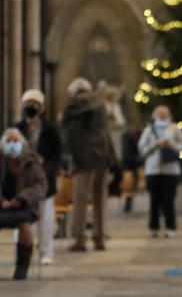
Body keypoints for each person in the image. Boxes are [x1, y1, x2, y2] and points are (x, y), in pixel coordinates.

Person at [60, 77, 114, 251]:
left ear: (75, 91)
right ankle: (99, 238)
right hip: (102, 157)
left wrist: (70, 157)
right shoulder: (100, 103)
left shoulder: (74, 104)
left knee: (80, 200)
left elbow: (70, 134)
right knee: (100, 199)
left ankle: (79, 239)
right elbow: (107, 134)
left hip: (83, 159)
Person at [16, 90, 61, 265]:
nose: (30, 108)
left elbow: (56, 156)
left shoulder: (50, 130)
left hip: (44, 178)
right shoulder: (17, 128)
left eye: (34, 105)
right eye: (28, 105)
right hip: (23, 179)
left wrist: (45, 171)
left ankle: (46, 252)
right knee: (20, 215)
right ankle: (21, 249)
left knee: (46, 218)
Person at [0, 128, 47, 279]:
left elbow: (41, 186)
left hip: (23, 206)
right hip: (2, 206)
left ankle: (22, 267)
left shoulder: (31, 163)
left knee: (25, 227)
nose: (12, 144)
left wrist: (20, 198)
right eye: (9, 141)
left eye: (15, 141)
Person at [138, 106, 182, 238]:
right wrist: (155, 144)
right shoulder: (149, 130)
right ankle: (154, 227)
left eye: (164, 114)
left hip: (171, 170)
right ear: (154, 115)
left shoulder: (174, 128)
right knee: (154, 200)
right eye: (159, 114)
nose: (161, 116)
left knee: (169, 200)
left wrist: (170, 144)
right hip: (153, 170)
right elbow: (142, 149)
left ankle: (170, 227)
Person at [120, 127, 143, 213]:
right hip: (128, 167)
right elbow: (128, 154)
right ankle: (127, 206)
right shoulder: (128, 139)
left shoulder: (128, 139)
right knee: (128, 187)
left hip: (129, 166)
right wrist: (138, 160)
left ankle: (128, 206)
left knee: (129, 187)